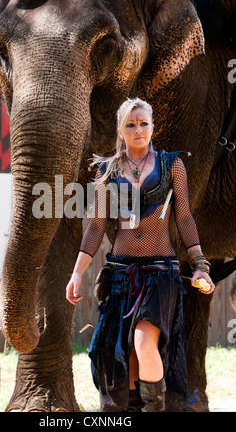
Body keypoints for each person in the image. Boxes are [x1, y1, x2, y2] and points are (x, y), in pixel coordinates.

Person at [66, 98, 214, 412]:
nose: (138, 129)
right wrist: (77, 272)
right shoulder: (106, 170)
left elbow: (184, 218)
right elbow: (96, 226)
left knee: (145, 342)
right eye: (131, 124)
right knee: (124, 357)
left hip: (161, 271)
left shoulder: (172, 164)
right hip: (120, 274)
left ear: (152, 127)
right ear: (120, 130)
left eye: (144, 123)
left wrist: (200, 265)